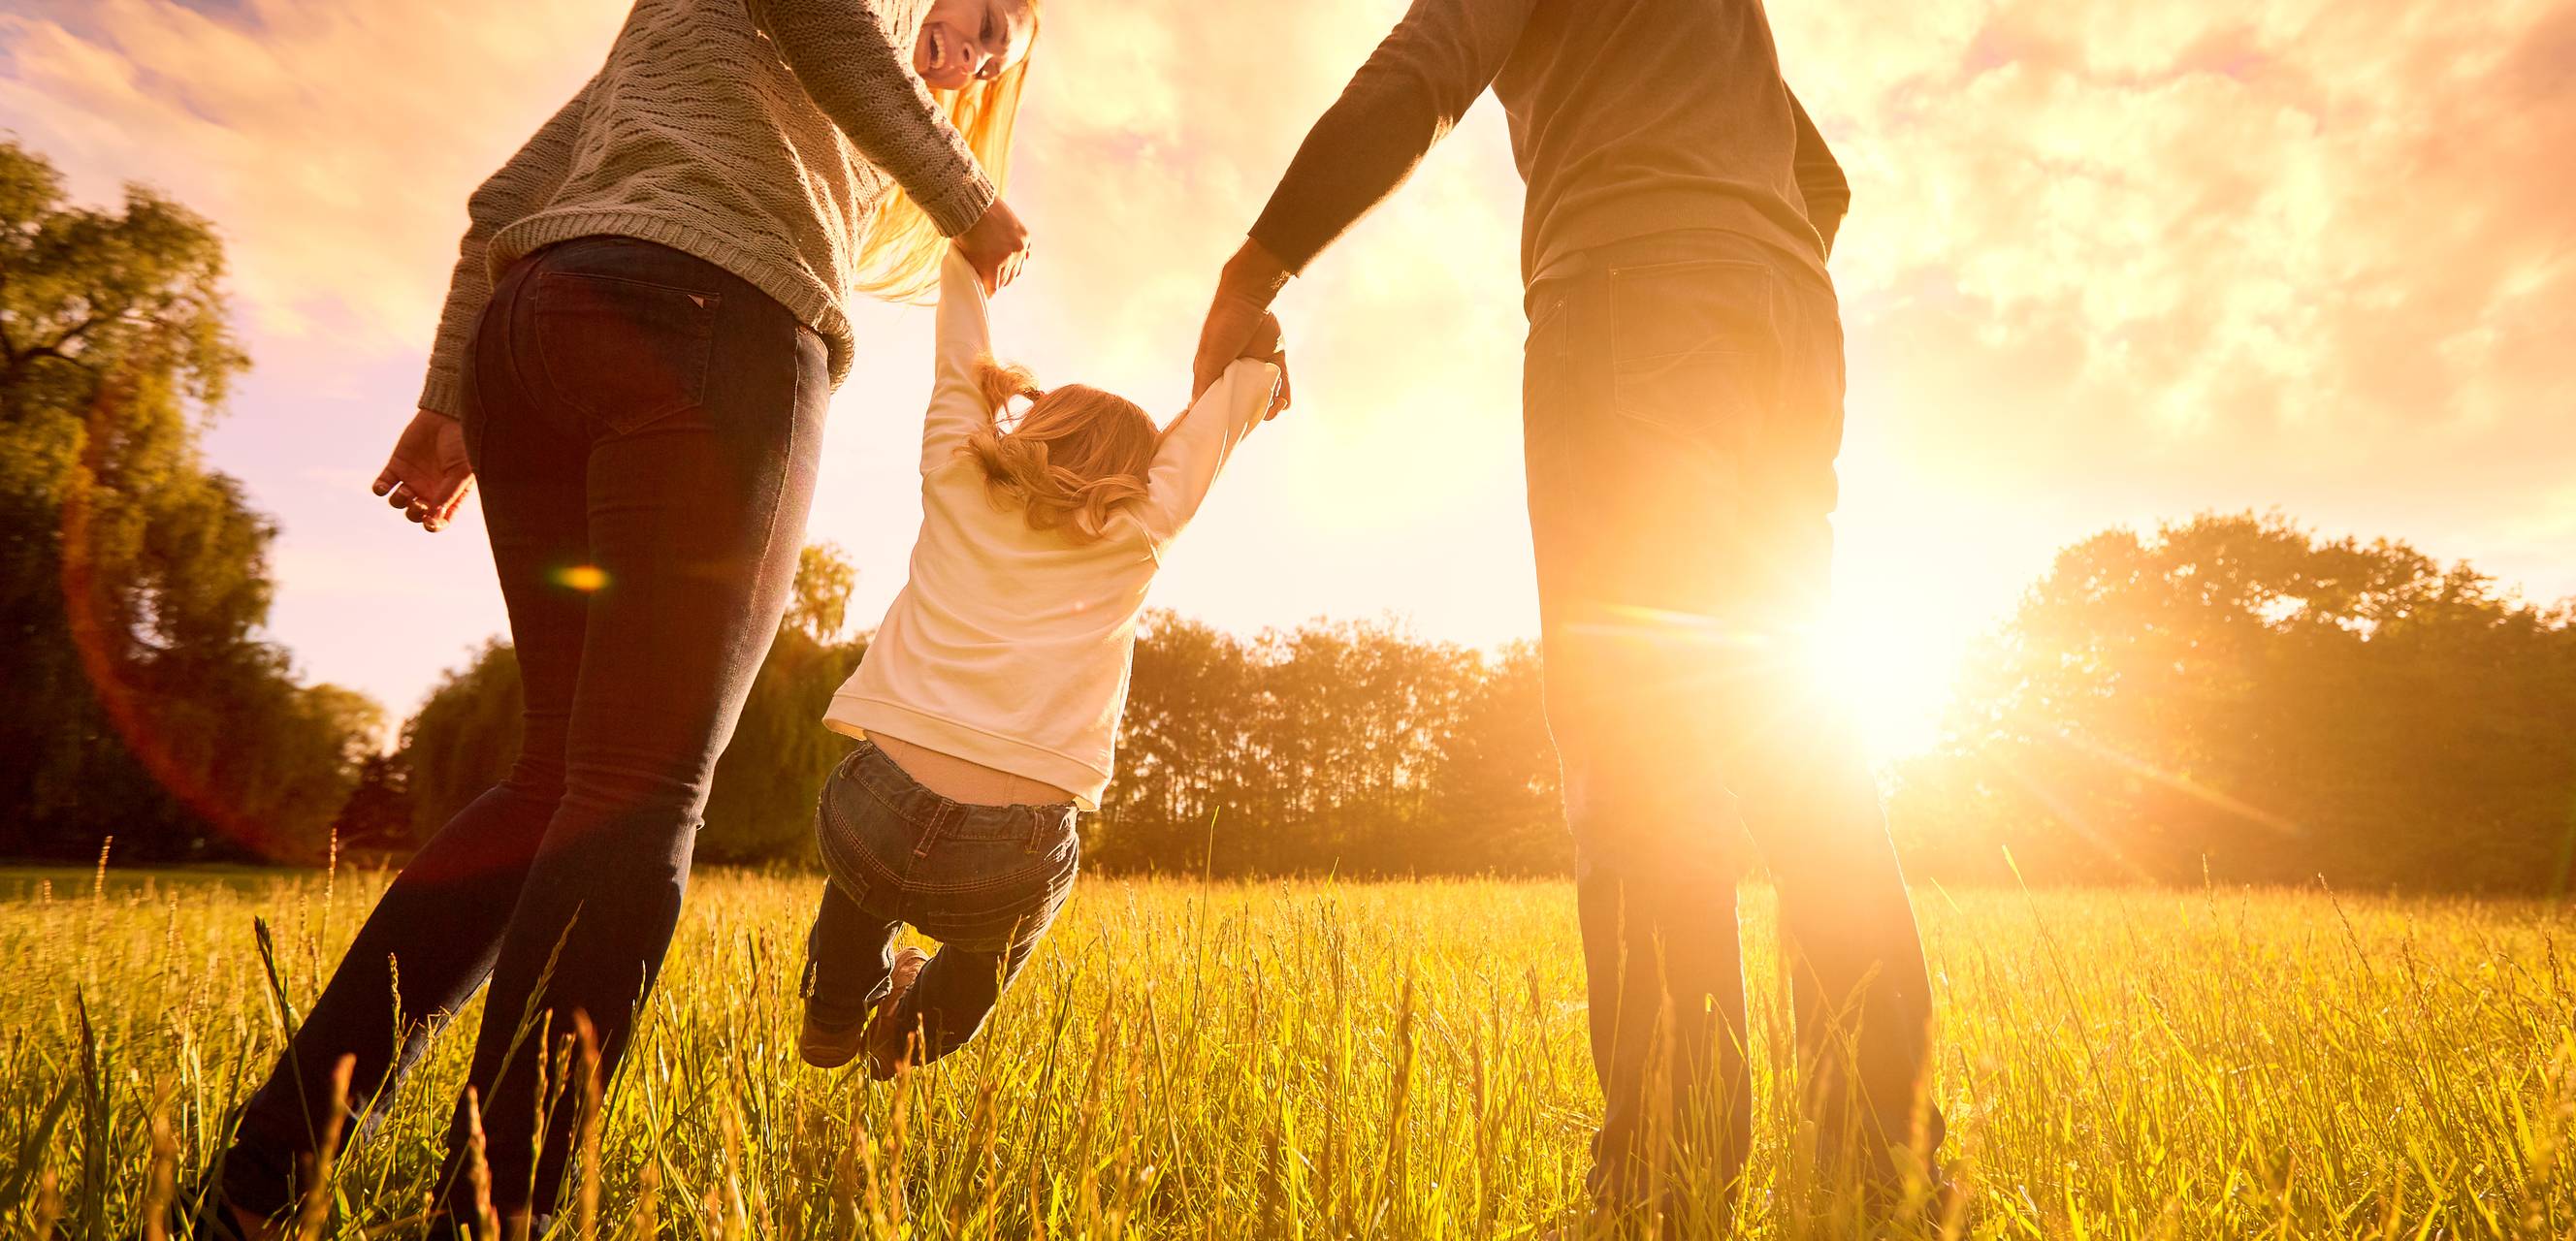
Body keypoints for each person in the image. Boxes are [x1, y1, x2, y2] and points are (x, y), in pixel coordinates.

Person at [194, 0, 1041, 1235]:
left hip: (532, 339)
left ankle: (260, 1177)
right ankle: (495, 1212)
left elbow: (501, 203)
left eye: (986, 63)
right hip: (712, 328)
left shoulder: (691, 45)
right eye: (970, 21)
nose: (960, 61)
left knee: (557, 785)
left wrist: (446, 402)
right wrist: (969, 191)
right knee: (641, 796)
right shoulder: (835, 33)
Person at [1187, 0, 1937, 1222]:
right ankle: (1882, 1167)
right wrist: (1743, 263)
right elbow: (1821, 179)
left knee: (1639, 746)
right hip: (1788, 324)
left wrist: (1251, 268)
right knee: (1798, 739)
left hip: (1633, 305)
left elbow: (1425, 73)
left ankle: (1665, 1180)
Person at [798, 248, 1289, 1079]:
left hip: (872, 809)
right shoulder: (1141, 527)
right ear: (1138, 474)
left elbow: (959, 358)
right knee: (993, 948)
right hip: (1010, 850)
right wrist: (1256, 368)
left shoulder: (958, 473)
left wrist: (967, 263)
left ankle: (838, 1008)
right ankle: (916, 1033)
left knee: (866, 876)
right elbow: (1217, 425)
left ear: (1033, 426)